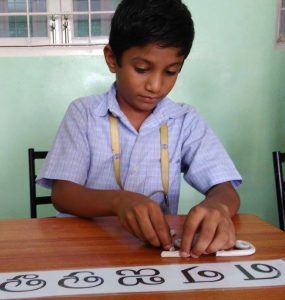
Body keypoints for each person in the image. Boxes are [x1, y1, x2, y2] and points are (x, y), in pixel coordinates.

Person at [37, 0, 242, 258]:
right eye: (142, 69)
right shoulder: (84, 113)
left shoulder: (184, 120)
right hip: (85, 249)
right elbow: (63, 195)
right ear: (112, 59)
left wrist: (218, 206)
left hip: (152, 253)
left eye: (171, 71)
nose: (156, 85)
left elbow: (225, 189)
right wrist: (118, 201)